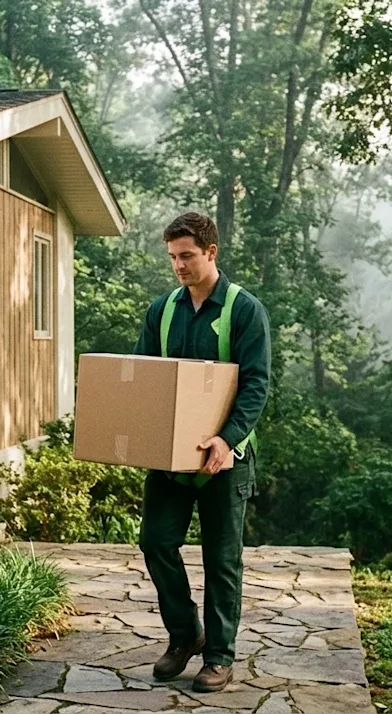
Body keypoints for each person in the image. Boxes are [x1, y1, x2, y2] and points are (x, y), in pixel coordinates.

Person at [132, 211, 271, 693]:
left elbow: (255, 385)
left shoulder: (244, 309)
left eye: (187, 255)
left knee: (221, 558)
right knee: (155, 541)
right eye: (172, 257)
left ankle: (219, 656)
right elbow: (146, 380)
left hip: (224, 459)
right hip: (170, 459)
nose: (179, 266)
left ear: (211, 252)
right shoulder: (162, 310)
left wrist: (226, 439)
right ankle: (184, 633)